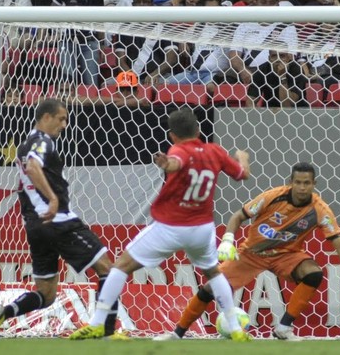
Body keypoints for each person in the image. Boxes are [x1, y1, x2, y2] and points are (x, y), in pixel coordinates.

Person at [69, 108, 253, 342]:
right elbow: (242, 174)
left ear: (171, 135)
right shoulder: (215, 151)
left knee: (120, 267)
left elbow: (176, 162)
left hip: (172, 226)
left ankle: (97, 324)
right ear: (198, 130)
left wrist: (168, 164)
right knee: (214, 273)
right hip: (202, 229)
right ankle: (235, 328)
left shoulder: (178, 150)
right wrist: (242, 157)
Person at [157, 162, 340, 341]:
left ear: (314, 184)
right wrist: (227, 240)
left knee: (313, 273)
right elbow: (238, 216)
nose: (301, 187)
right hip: (252, 253)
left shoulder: (320, 210)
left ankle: (283, 328)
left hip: (286, 255)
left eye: (306, 183)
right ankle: (178, 333)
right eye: (298, 182)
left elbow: (338, 242)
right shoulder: (273, 196)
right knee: (209, 288)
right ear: (291, 182)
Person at [0, 99, 121, 340]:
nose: (64, 124)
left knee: (46, 295)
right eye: (61, 118)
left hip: (35, 226)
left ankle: (4, 313)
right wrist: (53, 199)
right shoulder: (41, 141)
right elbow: (34, 167)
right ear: (46, 117)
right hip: (57, 221)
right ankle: (107, 332)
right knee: (110, 268)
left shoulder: (25, 143)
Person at [228, 0, 303, 108]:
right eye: (263, 2)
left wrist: (278, 70)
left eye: (271, 2)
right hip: (246, 70)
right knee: (222, 80)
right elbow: (234, 54)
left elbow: (291, 56)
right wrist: (243, 70)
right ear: (256, 3)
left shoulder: (287, 26)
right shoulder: (244, 24)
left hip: (274, 70)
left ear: (277, 5)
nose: (267, 5)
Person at [53, 0, 105, 88]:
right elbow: (54, 17)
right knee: (67, 81)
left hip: (89, 41)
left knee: (91, 83)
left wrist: (102, 44)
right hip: (66, 41)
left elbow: (100, 21)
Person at [164, 0, 230, 94]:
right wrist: (183, 41)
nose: (212, 13)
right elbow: (182, 36)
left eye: (215, 9)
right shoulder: (198, 27)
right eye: (209, 9)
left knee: (211, 89)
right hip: (192, 74)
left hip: (214, 74)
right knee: (165, 86)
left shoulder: (229, 29)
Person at [113, 0, 180, 86]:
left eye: (145, 2)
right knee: (107, 85)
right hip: (131, 75)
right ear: (133, 5)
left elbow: (172, 58)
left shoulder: (163, 26)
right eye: (138, 2)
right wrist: (131, 77)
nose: (141, 5)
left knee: (158, 87)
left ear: (152, 4)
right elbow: (120, 61)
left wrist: (154, 74)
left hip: (159, 76)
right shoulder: (125, 28)